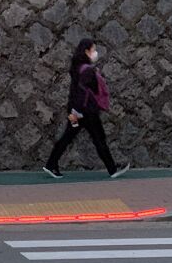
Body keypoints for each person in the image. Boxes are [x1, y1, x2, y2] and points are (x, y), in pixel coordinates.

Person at [43, 38, 129, 180]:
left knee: (68, 137)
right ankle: (112, 169)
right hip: (87, 111)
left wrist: (73, 111)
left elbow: (75, 91)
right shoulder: (87, 70)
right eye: (93, 50)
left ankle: (51, 164)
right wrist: (77, 111)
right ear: (86, 51)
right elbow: (82, 92)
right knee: (99, 138)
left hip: (77, 110)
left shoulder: (76, 68)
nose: (95, 53)